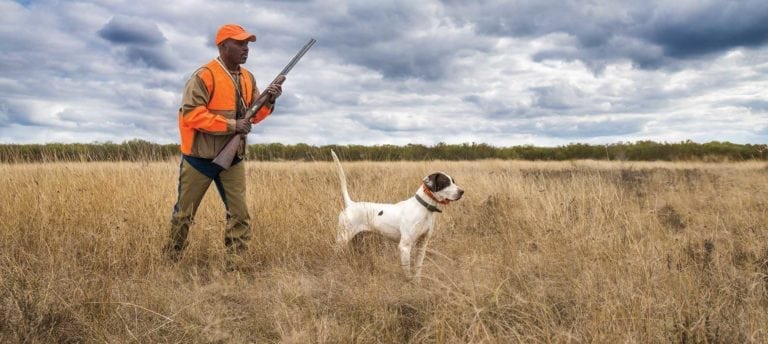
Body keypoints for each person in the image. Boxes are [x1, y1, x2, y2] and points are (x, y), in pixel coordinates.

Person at [164, 24, 282, 269]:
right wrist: (232, 125)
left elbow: (255, 117)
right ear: (222, 46)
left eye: (247, 44)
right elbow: (192, 116)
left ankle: (235, 267)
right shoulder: (204, 75)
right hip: (199, 159)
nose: (245, 49)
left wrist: (269, 100)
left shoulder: (248, 78)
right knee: (184, 216)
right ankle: (170, 261)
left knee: (239, 215)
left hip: (233, 159)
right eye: (240, 44)